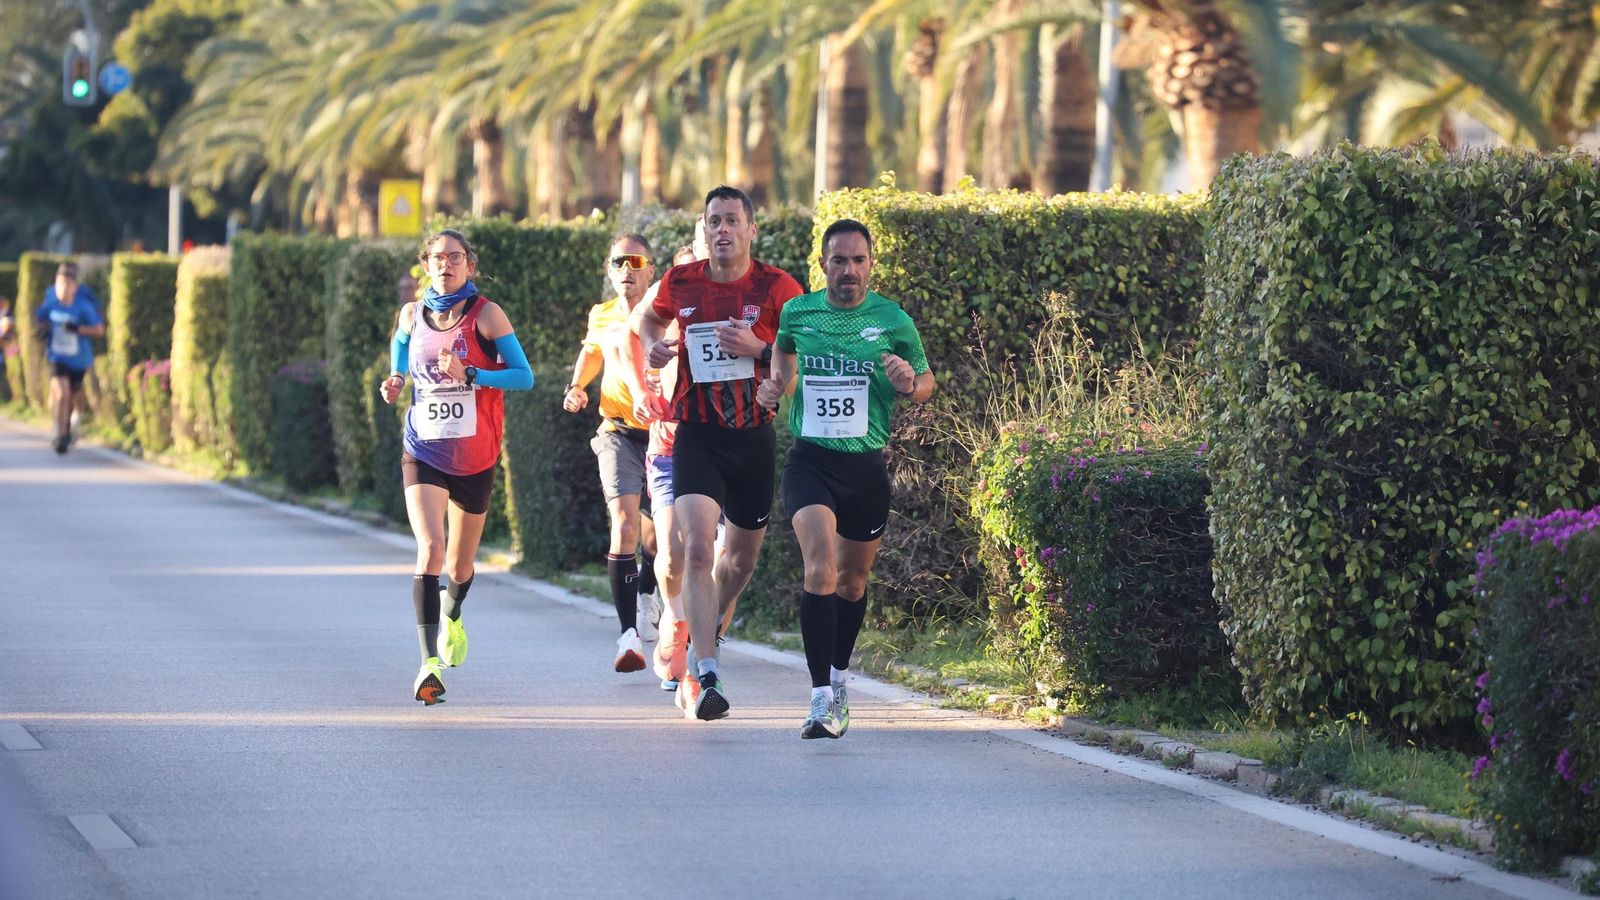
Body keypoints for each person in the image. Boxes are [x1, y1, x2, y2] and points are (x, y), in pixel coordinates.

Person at [757, 219, 934, 739]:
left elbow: (924, 381)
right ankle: (818, 698)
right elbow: (783, 353)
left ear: (870, 265)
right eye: (839, 260)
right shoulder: (799, 311)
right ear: (823, 264)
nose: (849, 270)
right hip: (811, 460)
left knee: (853, 583)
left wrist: (909, 383)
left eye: (858, 260)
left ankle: (837, 680)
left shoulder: (892, 318)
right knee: (820, 571)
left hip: (866, 466)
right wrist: (776, 385)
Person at [635, 186, 804, 720]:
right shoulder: (682, 280)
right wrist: (654, 346)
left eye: (733, 221)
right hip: (698, 434)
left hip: (753, 436)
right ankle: (705, 673)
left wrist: (760, 353)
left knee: (739, 562)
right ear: (704, 230)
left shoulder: (779, 288)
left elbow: (795, 362)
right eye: (714, 222)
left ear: (752, 230)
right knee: (698, 549)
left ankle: (703, 626)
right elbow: (647, 320)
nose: (723, 230)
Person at [379, 228, 534, 704]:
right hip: (423, 447)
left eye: (456, 257)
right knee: (431, 547)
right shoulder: (412, 313)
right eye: (437, 257)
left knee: (460, 564)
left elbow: (524, 377)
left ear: (469, 264)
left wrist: (472, 374)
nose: (446, 264)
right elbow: (401, 347)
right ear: (425, 264)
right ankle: (428, 665)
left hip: (475, 455)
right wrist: (397, 377)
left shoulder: (486, 315)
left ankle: (453, 613)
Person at [563, 233, 664, 673]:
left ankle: (646, 593)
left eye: (635, 260)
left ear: (650, 271)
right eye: (618, 261)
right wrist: (576, 387)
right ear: (610, 270)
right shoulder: (601, 315)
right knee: (624, 522)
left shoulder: (665, 314)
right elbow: (591, 355)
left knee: (658, 535)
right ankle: (628, 635)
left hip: (663, 431)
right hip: (618, 431)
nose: (627, 268)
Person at [627, 243, 700, 695]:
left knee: (721, 561)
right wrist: (641, 389)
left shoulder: (732, 313)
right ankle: (675, 617)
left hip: (723, 444)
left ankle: (702, 649)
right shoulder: (661, 315)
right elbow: (630, 336)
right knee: (671, 555)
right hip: (670, 448)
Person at [34, 263, 105, 454]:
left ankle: (69, 424)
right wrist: (41, 329)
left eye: (66, 284)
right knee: (61, 392)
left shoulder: (83, 307)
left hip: (78, 359)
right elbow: (39, 319)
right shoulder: (50, 303)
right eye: (59, 284)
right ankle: (60, 434)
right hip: (57, 356)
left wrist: (77, 329)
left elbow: (99, 330)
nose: (62, 289)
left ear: (74, 286)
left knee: (73, 395)